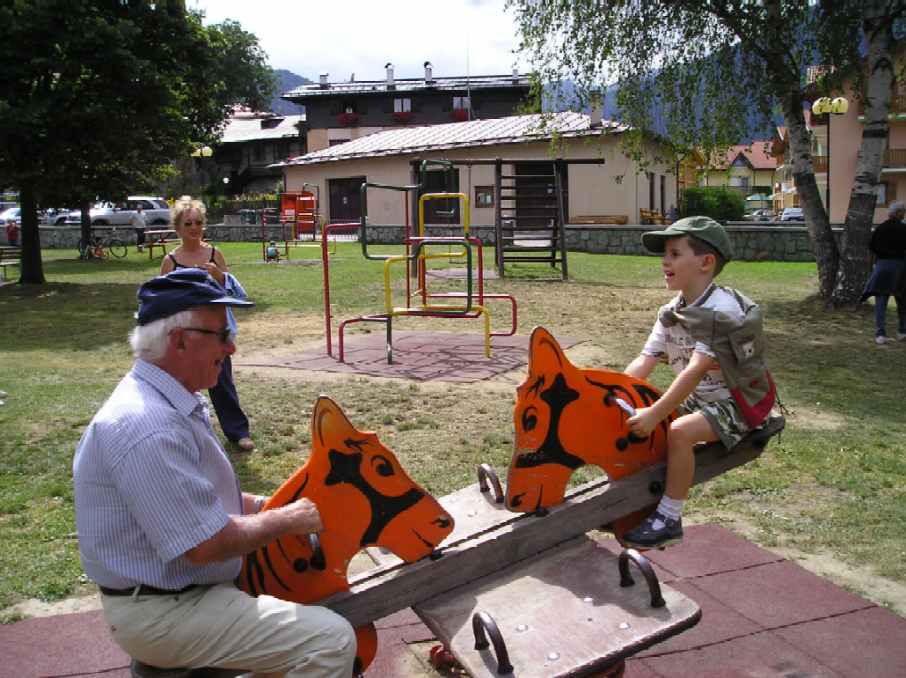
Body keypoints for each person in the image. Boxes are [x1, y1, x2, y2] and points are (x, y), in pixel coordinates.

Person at [73, 268, 356, 676]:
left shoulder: (166, 401)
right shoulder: (149, 425)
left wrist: (267, 505)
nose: (232, 347)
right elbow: (205, 544)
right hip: (166, 611)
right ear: (180, 340)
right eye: (222, 334)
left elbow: (195, 499)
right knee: (330, 641)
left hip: (175, 597)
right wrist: (284, 519)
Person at [621, 216, 775, 549]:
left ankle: (669, 518)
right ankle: (637, 498)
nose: (665, 261)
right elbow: (644, 361)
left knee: (678, 431)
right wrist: (612, 394)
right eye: (665, 254)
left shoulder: (721, 312)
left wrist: (655, 414)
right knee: (640, 416)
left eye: (675, 254)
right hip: (703, 398)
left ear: (706, 263)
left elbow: (693, 372)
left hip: (737, 402)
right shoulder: (671, 311)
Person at [160, 196, 254, 452]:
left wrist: (219, 276)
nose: (194, 228)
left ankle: (238, 432)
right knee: (180, 385)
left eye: (199, 222)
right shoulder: (170, 261)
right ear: (177, 228)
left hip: (214, 332)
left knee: (222, 383)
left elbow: (233, 294)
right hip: (184, 333)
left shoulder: (214, 254)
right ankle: (178, 433)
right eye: (188, 223)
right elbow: (162, 299)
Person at [860, 201, 906, 345]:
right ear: (898, 213)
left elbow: (872, 250)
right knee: (902, 301)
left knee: (881, 301)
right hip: (900, 267)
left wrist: (871, 268)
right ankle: (902, 331)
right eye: (903, 211)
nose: (904, 214)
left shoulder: (880, 229)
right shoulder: (904, 229)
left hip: (882, 267)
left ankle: (880, 334)